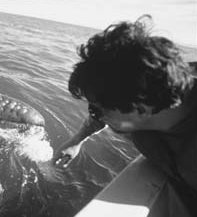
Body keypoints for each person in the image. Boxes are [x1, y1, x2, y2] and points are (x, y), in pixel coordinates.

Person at [53, 15, 197, 215]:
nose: (96, 115)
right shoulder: (158, 81)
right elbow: (109, 105)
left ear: (141, 107)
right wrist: (77, 140)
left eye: (96, 109)